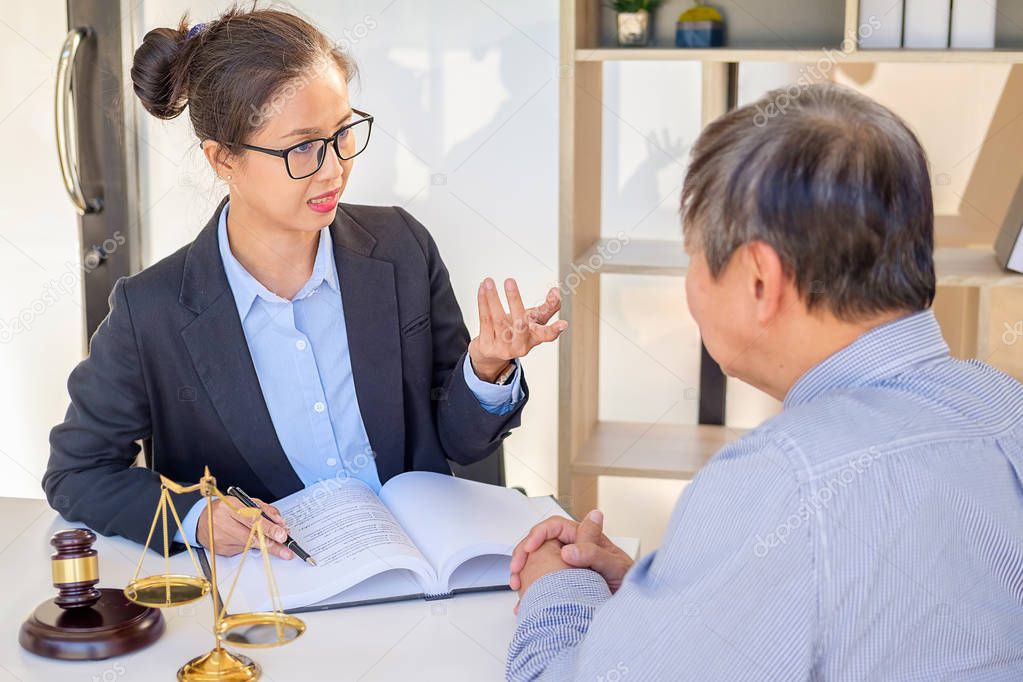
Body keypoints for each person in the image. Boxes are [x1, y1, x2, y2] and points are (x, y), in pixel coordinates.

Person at [506, 82, 1023, 680]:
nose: (690, 284)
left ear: (760, 279)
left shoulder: (784, 480)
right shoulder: (1004, 404)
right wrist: (674, 596)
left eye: (692, 255)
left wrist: (557, 585)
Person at [44, 7, 566, 561]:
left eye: (343, 134)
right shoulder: (150, 312)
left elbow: (457, 441)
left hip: (424, 578)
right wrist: (194, 518)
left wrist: (486, 369)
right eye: (303, 147)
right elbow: (78, 472)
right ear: (224, 159)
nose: (334, 168)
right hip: (278, 606)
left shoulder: (400, 248)